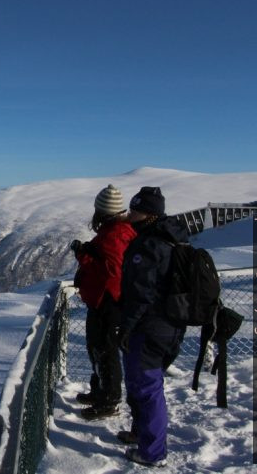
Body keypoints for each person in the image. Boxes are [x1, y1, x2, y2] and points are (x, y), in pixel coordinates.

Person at [117, 186, 188, 468]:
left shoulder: (148, 245)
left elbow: (141, 293)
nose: (130, 214)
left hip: (149, 328)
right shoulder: (173, 239)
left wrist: (126, 327)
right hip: (171, 324)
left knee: (147, 388)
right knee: (145, 385)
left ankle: (152, 452)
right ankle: (142, 435)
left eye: (134, 210)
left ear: (147, 214)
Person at [71, 184, 136, 420]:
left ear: (104, 211)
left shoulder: (115, 234)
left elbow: (112, 272)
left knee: (105, 352)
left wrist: (84, 256)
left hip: (108, 303)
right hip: (103, 302)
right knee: (97, 349)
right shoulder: (115, 231)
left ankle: (108, 401)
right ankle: (100, 393)